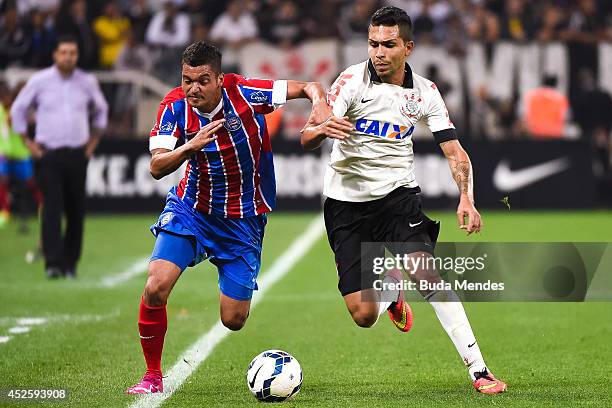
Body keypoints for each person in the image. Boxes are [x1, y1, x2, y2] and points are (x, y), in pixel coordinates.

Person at [301, 6, 507, 394]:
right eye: (373, 43)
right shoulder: (350, 83)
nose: (378, 52)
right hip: (346, 203)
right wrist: (323, 128)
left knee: (428, 274)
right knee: (363, 316)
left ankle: (479, 370)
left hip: (398, 198)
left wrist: (467, 197)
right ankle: (391, 291)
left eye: (388, 45)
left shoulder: (424, 92)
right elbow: (306, 136)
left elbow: (455, 152)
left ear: (407, 48)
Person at [126, 41, 329, 394]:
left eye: (203, 80)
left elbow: (307, 86)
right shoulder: (173, 106)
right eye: (188, 80)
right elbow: (157, 166)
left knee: (233, 320)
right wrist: (189, 146)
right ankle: (152, 375)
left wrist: (319, 104)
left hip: (242, 220)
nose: (194, 89)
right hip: (192, 211)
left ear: (220, 79)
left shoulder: (246, 93)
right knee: (156, 285)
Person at [10, 36, 108, 278]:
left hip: (77, 153)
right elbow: (17, 110)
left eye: (72, 52)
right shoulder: (40, 81)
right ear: (55, 54)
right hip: (49, 154)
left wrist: (91, 145)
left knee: (76, 210)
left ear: (77, 55)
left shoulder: (87, 82)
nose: (68, 57)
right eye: (63, 52)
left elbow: (101, 111)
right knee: (52, 207)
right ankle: (53, 263)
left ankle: (70, 263)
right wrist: (28, 143)